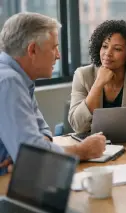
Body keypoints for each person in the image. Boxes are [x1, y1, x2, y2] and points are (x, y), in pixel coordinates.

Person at [0, 12, 106, 175]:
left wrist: (27, 153)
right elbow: (34, 157)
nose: (58, 55)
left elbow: (42, 131)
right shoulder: (9, 81)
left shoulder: (21, 78)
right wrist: (83, 151)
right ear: (32, 50)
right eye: (54, 47)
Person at [68, 20, 126, 133]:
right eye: (104, 46)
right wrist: (98, 83)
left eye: (117, 49)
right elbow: (78, 126)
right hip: (91, 143)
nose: (107, 53)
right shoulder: (83, 75)